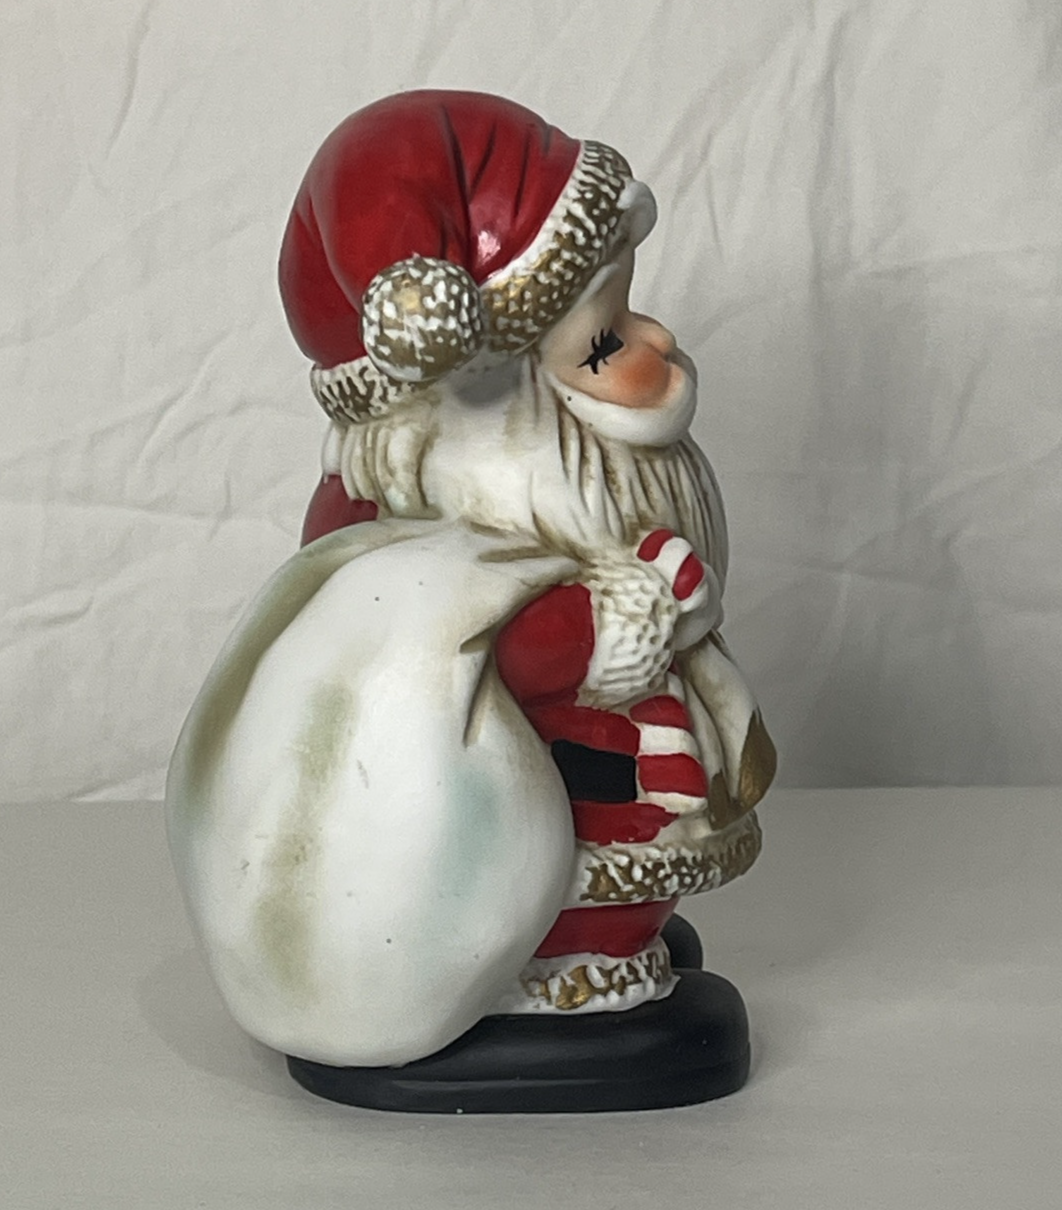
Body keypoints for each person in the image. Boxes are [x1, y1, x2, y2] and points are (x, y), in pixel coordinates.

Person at [166, 90, 775, 1111]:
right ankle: (545, 968)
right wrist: (603, 625)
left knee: (623, 848)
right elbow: (467, 647)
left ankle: (599, 945)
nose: (657, 344)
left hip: (611, 760)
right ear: (487, 397)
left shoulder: (535, 495)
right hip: (515, 810)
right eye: (600, 344)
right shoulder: (402, 537)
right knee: (580, 853)